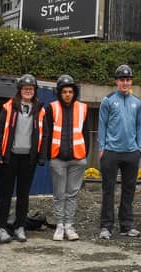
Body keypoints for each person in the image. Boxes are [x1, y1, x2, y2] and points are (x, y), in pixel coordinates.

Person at [0, 74, 47, 244]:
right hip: (10, 157)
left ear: (34, 91)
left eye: (31, 89)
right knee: (5, 194)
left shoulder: (40, 109)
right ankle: (2, 227)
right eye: (25, 88)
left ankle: (19, 227)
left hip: (28, 159)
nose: (28, 91)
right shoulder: (9, 107)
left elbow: (44, 135)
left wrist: (41, 156)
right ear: (20, 90)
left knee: (23, 195)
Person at [98, 64, 141, 239]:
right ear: (116, 81)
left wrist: (139, 148)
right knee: (108, 189)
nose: (125, 83)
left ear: (131, 81)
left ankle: (126, 225)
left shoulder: (137, 103)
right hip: (111, 151)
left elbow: (140, 126)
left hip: (131, 152)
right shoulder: (108, 100)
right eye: (121, 79)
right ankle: (106, 226)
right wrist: (102, 148)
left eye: (128, 79)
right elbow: (101, 126)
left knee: (129, 190)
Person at [45, 74, 89, 241]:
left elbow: (85, 133)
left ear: (74, 92)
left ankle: (69, 226)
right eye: (64, 91)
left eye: (70, 91)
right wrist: (48, 155)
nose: (68, 94)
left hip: (77, 158)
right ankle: (59, 226)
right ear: (60, 93)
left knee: (72, 194)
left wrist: (85, 154)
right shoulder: (52, 108)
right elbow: (47, 133)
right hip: (57, 157)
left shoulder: (82, 108)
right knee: (59, 194)